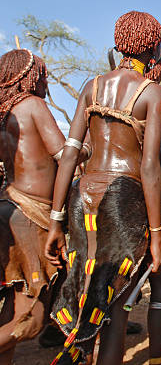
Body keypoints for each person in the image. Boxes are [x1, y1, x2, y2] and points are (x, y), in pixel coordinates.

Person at [45, 11, 161, 364]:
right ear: (153, 46)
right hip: (123, 203)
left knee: (86, 297)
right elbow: (149, 166)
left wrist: (56, 220)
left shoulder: (93, 86)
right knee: (115, 310)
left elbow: (70, 155)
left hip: (82, 198)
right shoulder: (152, 92)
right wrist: (156, 235)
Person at [0, 49, 78, 364]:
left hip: (8, 207)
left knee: (12, 307)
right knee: (29, 321)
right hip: (31, 216)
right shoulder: (33, 105)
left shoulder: (4, 113)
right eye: (42, 75)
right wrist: (86, 148)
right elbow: (64, 155)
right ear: (27, 77)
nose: (45, 81)